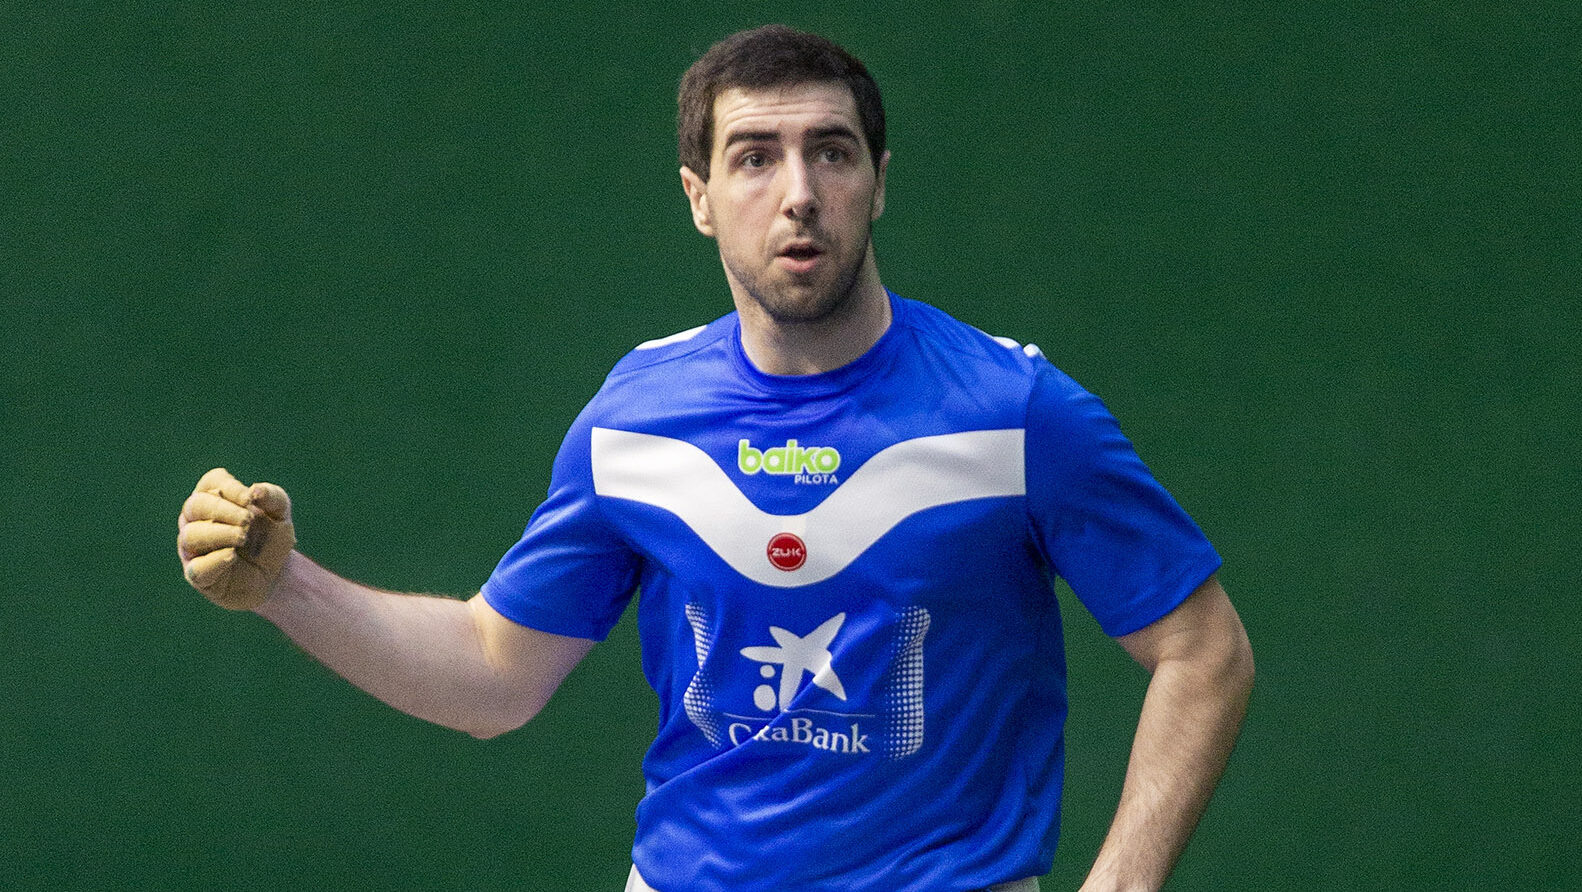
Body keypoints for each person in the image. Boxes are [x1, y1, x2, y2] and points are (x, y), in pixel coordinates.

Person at [177, 24, 1253, 892]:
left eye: (832, 151)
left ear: (878, 182)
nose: (798, 192)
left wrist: (1121, 883)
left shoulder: (1012, 411)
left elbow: (1203, 650)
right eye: (754, 157)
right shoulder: (636, 419)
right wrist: (287, 588)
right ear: (698, 196)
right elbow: (494, 675)